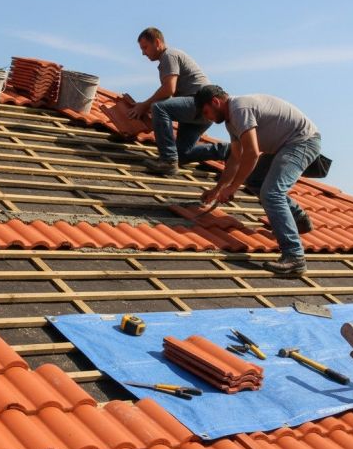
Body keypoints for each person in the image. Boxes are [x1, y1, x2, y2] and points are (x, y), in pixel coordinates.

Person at [195, 85, 321, 275]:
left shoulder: (239, 109)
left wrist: (234, 188)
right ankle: (299, 219)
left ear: (215, 102)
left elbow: (252, 153)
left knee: (271, 193)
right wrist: (219, 189)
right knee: (254, 181)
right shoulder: (231, 122)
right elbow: (236, 158)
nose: (208, 118)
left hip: (301, 141)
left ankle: (294, 257)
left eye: (207, 112)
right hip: (282, 146)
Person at [128, 27, 229, 175]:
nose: (143, 53)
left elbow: (169, 89)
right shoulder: (169, 57)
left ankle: (168, 160)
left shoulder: (169, 55)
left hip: (199, 102)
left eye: (145, 47)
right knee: (181, 154)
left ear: (157, 42)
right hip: (201, 112)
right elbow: (169, 96)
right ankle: (226, 150)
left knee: (159, 108)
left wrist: (145, 105)